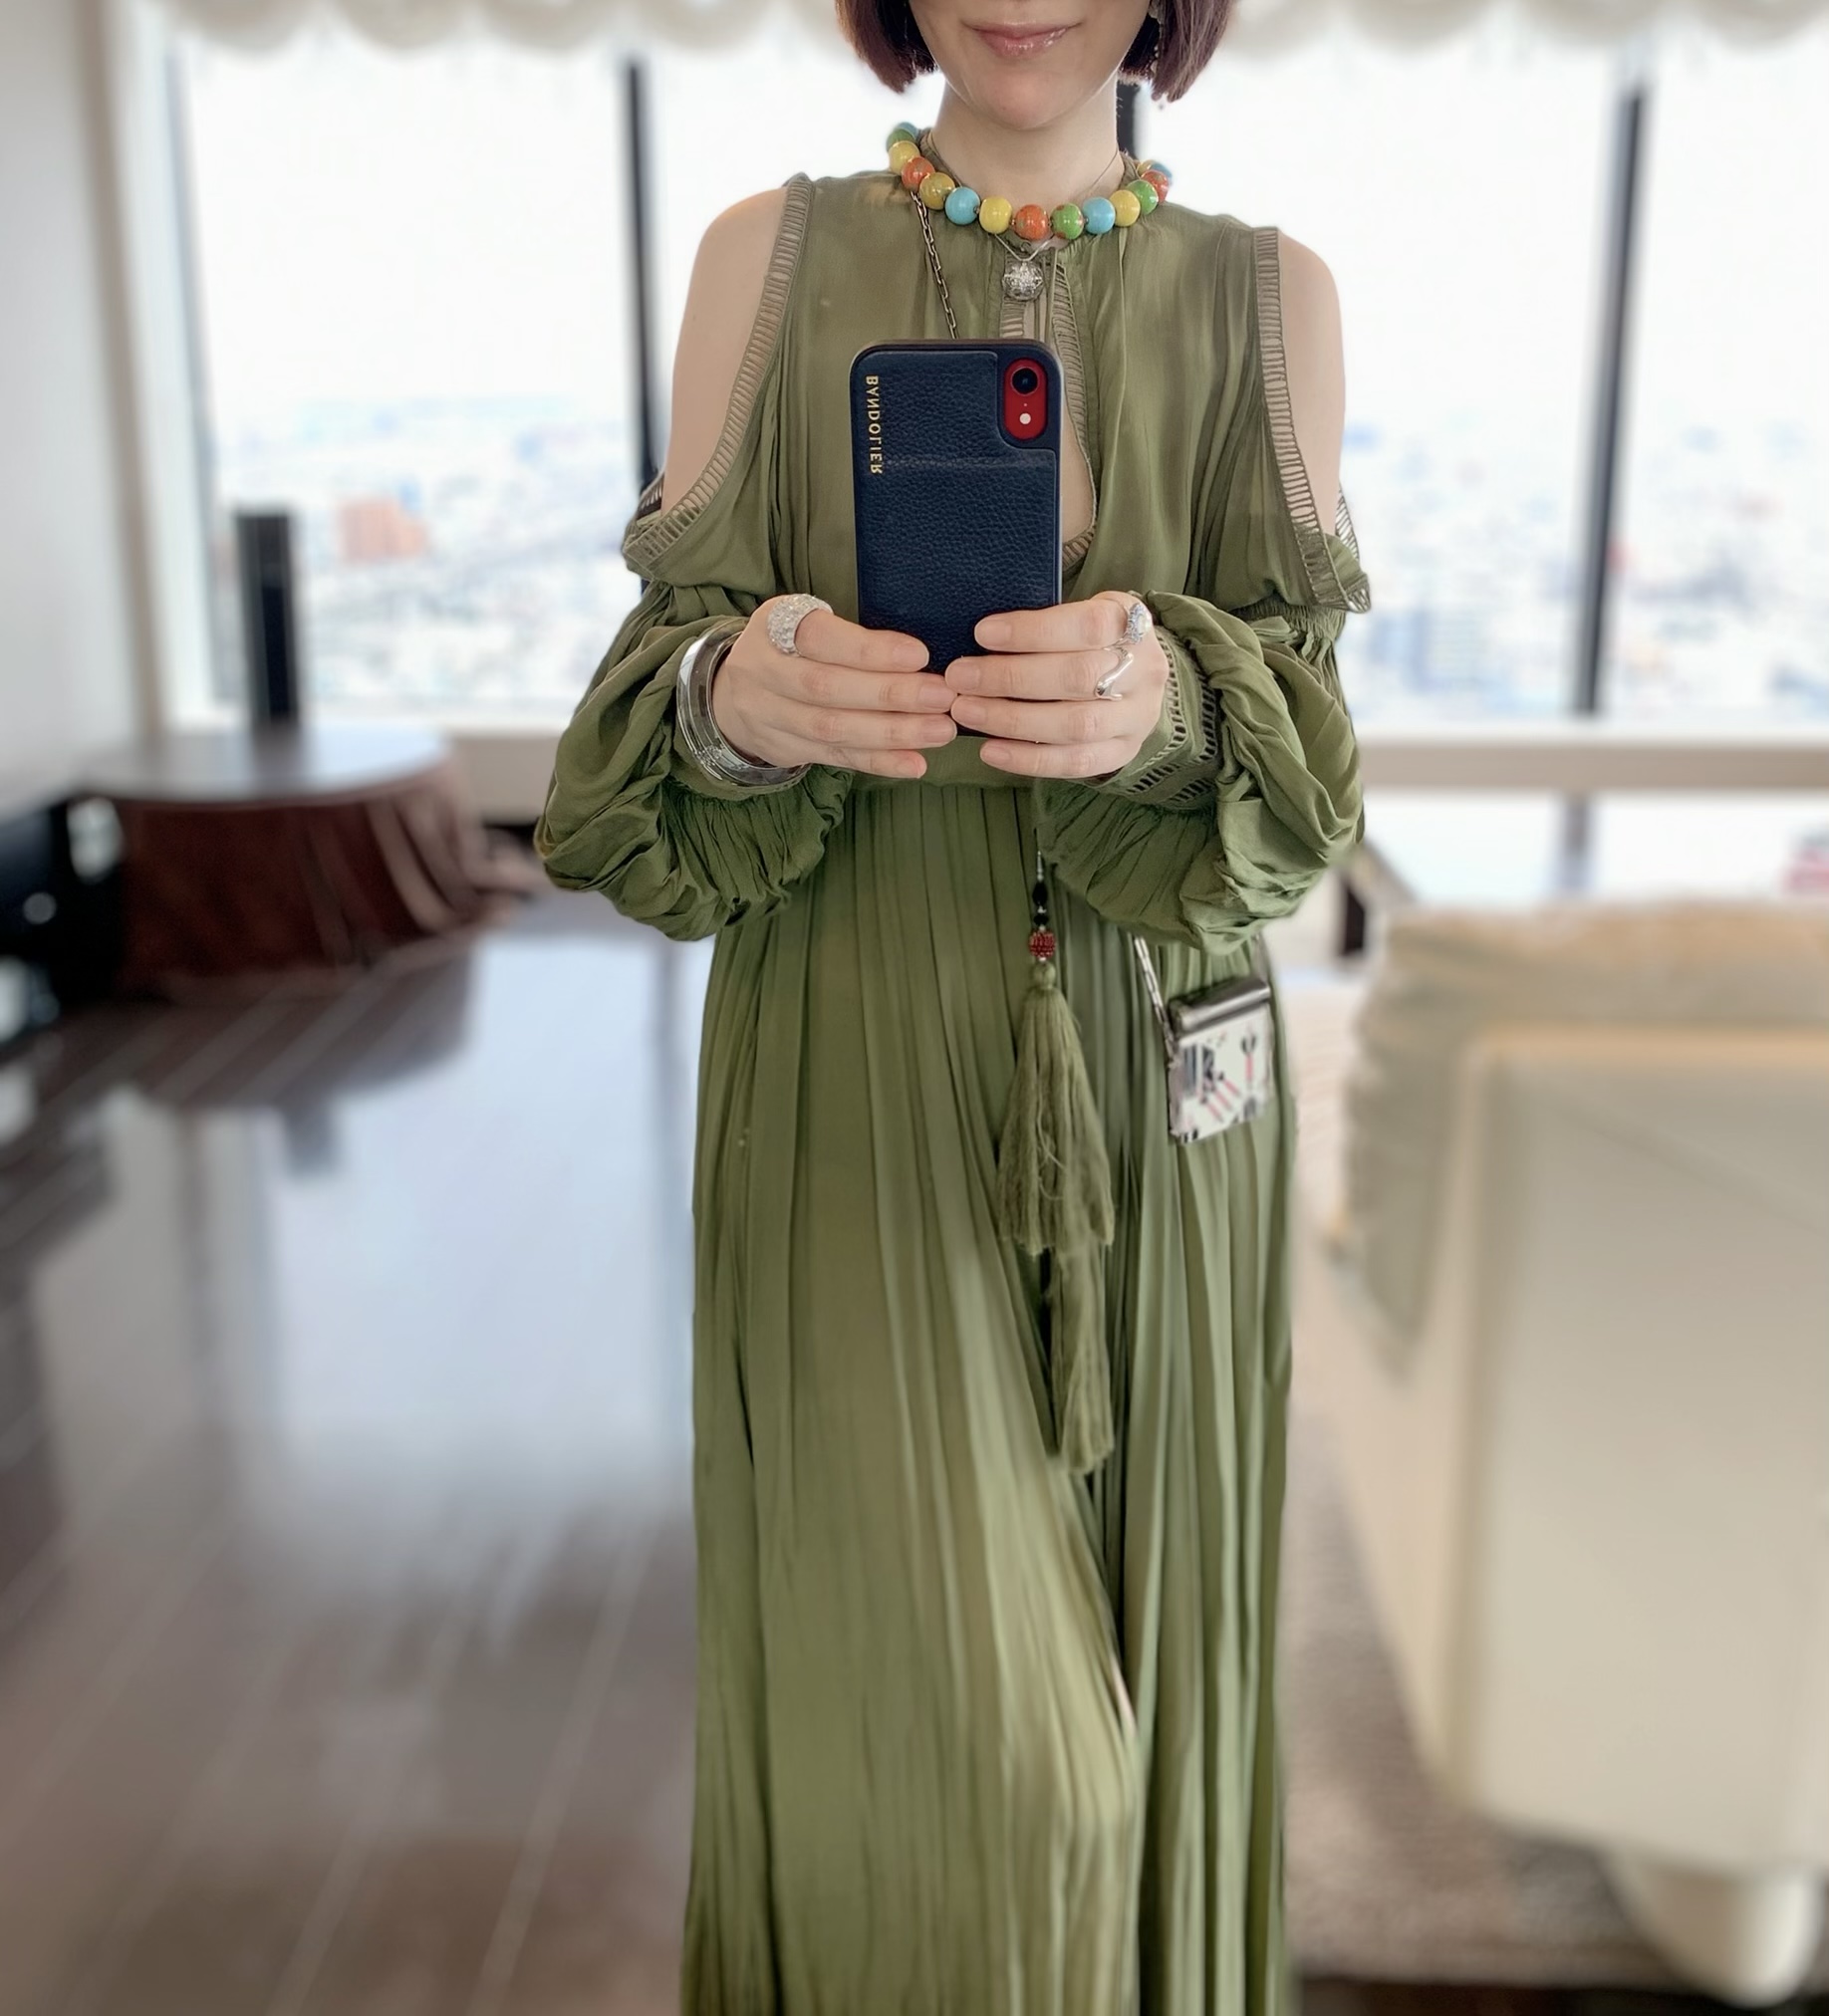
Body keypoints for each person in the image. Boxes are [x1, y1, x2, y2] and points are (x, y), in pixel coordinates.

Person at [534, 0, 1372, 2006]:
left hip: (1172, 1099)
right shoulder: (767, 258)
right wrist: (731, 701)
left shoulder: (1271, 301)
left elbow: (1305, 805)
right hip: (851, 1073)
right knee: (1008, 1783)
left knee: (1151, 1720)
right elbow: (633, 776)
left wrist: (1174, 705)